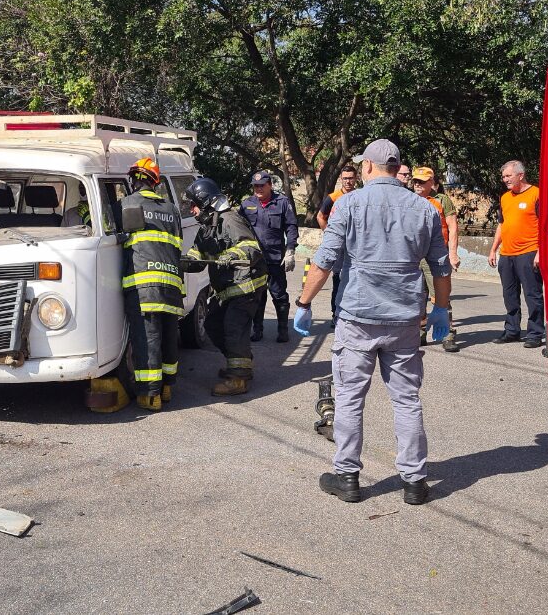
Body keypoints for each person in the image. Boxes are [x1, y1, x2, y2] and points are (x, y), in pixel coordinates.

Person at [292, 139, 450, 506]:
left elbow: (325, 260)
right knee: (407, 399)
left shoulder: (348, 204)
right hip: (406, 319)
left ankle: (347, 477)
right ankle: (414, 482)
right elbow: (440, 266)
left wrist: (303, 303)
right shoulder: (424, 209)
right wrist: (442, 308)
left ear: (366, 168)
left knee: (348, 399)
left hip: (358, 317)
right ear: (397, 169)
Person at [98, 158, 184, 413]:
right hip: (171, 282)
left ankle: (149, 395)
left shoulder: (125, 204)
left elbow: (105, 230)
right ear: (155, 182)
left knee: (147, 338)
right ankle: (167, 387)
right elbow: (177, 246)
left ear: (133, 180)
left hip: (142, 283)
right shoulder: (171, 209)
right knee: (169, 335)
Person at [183, 177, 268, 396]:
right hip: (227, 290)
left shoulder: (229, 220)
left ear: (206, 202)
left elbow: (251, 248)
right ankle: (239, 362)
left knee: (233, 328)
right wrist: (183, 262)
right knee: (212, 324)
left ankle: (238, 378)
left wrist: (230, 255)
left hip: (246, 286)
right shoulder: (206, 228)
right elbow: (197, 256)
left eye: (194, 205)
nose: (192, 210)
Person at [487, 160, 544, 348]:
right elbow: (502, 225)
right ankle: (512, 330)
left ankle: (535, 333)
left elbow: (545, 225)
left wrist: (540, 252)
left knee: (532, 295)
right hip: (507, 254)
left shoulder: (536, 194)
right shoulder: (505, 197)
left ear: (521, 175)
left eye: (508, 176)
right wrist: (494, 249)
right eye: (503, 177)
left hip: (529, 252)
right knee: (509, 295)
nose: (505, 180)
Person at [240, 171, 298, 343]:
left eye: (262, 185)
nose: (258, 189)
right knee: (257, 295)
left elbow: (291, 226)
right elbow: (238, 228)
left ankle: (283, 330)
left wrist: (290, 250)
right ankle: (257, 330)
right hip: (254, 259)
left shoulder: (281, 202)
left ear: (270, 185)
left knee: (279, 295)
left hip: (275, 258)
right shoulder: (247, 204)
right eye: (255, 186)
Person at [411, 166, 461, 353]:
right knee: (418, 296)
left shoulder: (442, 200)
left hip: (436, 255)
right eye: (415, 181)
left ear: (431, 183)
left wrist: (453, 253)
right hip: (415, 256)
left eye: (422, 181)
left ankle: (448, 334)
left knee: (440, 296)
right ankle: (421, 331)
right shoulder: (410, 200)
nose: (417, 184)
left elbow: (453, 227)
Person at [316, 165, 358, 321]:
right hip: (340, 248)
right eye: (345, 178)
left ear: (356, 178)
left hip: (357, 247)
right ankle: (335, 314)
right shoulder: (333, 197)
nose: (348, 181)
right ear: (341, 179)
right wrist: (330, 235)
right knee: (338, 279)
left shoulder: (360, 195)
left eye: (351, 178)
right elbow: (320, 217)